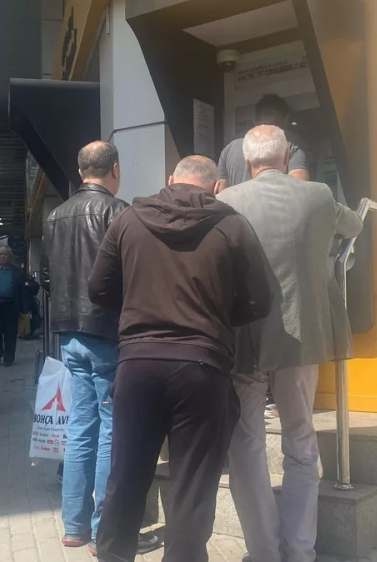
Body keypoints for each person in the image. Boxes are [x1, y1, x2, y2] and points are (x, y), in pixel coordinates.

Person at [90, 156, 273, 562]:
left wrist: (138, 313)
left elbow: (98, 288)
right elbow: (262, 299)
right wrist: (217, 317)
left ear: (170, 179)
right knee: (193, 487)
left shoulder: (128, 220)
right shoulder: (233, 225)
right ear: (216, 187)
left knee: (126, 476)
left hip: (138, 364)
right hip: (202, 367)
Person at [217, 125, 364, 562]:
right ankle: (300, 551)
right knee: (300, 443)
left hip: (245, 340)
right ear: (286, 159)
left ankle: (263, 552)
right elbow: (354, 224)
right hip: (301, 339)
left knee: (246, 446)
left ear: (246, 162)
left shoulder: (225, 202)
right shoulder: (318, 195)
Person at [44, 141, 159, 556]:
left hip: (69, 334)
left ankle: (74, 527)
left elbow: (48, 277)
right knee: (113, 431)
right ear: (115, 170)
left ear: (80, 172)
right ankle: (106, 531)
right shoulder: (120, 212)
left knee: (80, 427)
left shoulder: (55, 216)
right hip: (108, 334)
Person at [216, 94, 310, 194]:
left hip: (235, 204)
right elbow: (299, 189)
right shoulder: (292, 142)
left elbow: (222, 193)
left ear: (255, 121)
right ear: (286, 119)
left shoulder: (230, 148)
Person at [0, 247, 28, 367]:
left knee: (10, 334)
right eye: (0, 254)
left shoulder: (17, 272)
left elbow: (23, 291)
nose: (2, 256)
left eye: (5, 254)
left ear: (9, 256)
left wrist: (24, 309)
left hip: (11, 306)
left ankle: (9, 358)